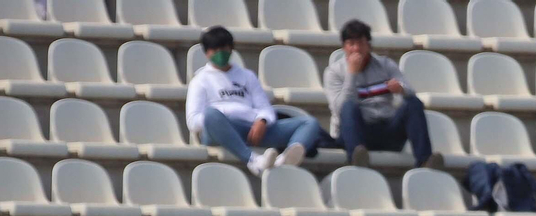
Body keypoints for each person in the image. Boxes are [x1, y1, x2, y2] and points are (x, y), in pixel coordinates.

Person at [187, 26, 327, 176]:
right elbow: (193, 121)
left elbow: (265, 108)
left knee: (309, 123)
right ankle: (253, 160)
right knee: (211, 115)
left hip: (252, 129)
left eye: (224, 48)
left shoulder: (247, 76)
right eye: (215, 50)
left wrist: (262, 120)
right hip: (221, 130)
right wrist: (223, 116)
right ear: (207, 52)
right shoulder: (200, 80)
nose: (220, 53)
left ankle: (283, 160)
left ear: (231, 48)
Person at [323, 19, 442, 170]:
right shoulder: (334, 72)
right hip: (357, 133)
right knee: (349, 106)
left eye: (361, 43)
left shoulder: (385, 65)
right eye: (351, 44)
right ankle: (356, 158)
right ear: (344, 47)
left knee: (413, 103)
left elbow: (410, 91)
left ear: (369, 44)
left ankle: (425, 160)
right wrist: (351, 74)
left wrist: (401, 89)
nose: (356, 48)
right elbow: (339, 109)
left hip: (386, 129)